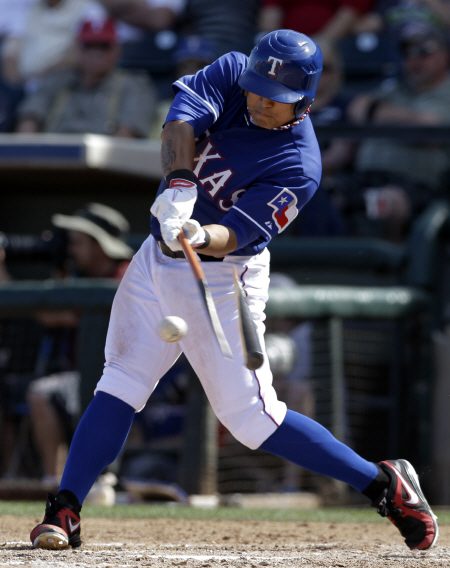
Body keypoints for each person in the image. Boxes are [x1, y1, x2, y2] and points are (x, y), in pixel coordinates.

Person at [30, 29, 438, 552]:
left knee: (251, 419)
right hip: (155, 258)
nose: (261, 103)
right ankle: (65, 509)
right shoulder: (231, 72)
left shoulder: (299, 165)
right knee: (121, 381)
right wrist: (180, 184)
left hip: (223, 274)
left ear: (304, 103)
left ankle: (383, 484)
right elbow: (180, 121)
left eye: (276, 100)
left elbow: (238, 234)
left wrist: (200, 234)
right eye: (257, 91)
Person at [4, 204, 134, 484]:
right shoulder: (82, 275)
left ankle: (55, 480)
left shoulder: (124, 275)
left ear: (100, 245)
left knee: (41, 392)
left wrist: (3, 275)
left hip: (116, 379)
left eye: (78, 243)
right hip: (79, 375)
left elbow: (54, 316)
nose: (71, 250)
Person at [346, 21, 450, 240]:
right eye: (407, 52)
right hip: (364, 177)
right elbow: (357, 108)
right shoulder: (395, 89)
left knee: (382, 203)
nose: (415, 59)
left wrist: (376, 114)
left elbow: (429, 128)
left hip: (417, 183)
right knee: (310, 197)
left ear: (445, 55)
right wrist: (408, 119)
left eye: (424, 51)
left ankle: (385, 261)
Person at [15, 17, 157, 138]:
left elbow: (125, 139)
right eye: (89, 45)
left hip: (102, 159)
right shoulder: (57, 80)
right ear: (78, 49)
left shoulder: (134, 85)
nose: (96, 52)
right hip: (52, 156)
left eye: (104, 46)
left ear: (117, 49)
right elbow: (28, 121)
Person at [258, 0, 376, 43]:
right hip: (288, 44)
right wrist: (279, 45)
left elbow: (350, 13)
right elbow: (270, 15)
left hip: (336, 43)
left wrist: (320, 44)